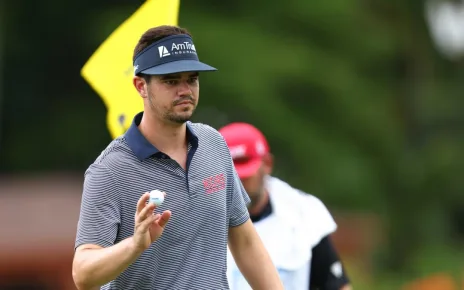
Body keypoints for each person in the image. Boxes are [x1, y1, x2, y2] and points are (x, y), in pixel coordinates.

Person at [72, 25, 284, 290]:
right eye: (171, 81)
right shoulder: (109, 171)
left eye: (192, 79)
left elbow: (245, 241)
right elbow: (83, 273)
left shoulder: (214, 144)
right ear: (141, 86)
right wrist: (134, 245)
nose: (185, 90)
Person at [219, 122, 352, 290]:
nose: (236, 185)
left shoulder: (304, 214)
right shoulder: (196, 215)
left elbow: (337, 286)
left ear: (267, 164)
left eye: (245, 176)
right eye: (229, 176)